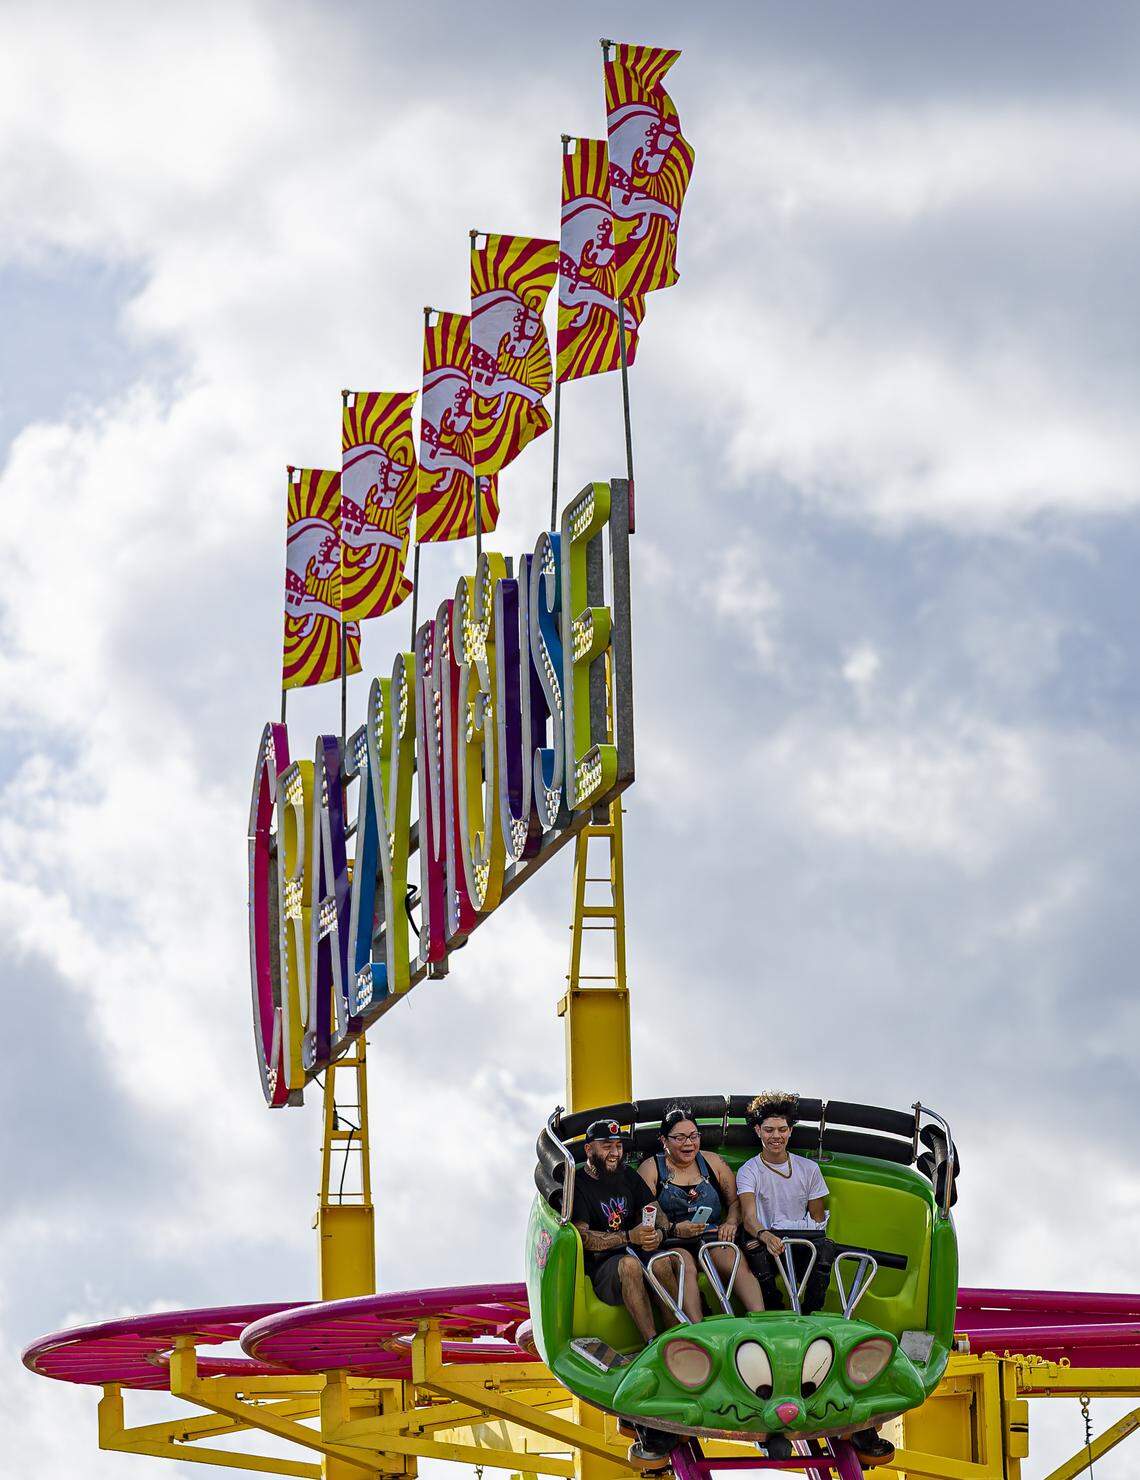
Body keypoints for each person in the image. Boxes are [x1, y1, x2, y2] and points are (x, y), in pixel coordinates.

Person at [738, 1092, 894, 1468]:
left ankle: (809, 1309)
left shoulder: (807, 1170)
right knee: (763, 1252)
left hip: (801, 1238)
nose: (776, 1136)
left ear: (790, 1131)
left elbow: (816, 1216)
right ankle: (775, 1309)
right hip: (767, 1238)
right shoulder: (750, 1170)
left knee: (823, 1251)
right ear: (758, 1131)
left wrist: (802, 1234)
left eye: (782, 1129)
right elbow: (748, 1215)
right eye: (769, 1130)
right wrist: (765, 1235)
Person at [571, 1118, 703, 1344]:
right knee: (629, 1265)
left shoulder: (628, 1175)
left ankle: (679, 1337)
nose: (615, 1153)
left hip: (639, 1251)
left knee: (661, 1261)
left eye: (619, 1146)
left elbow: (655, 1212)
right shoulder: (579, 1184)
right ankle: (651, 1341)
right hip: (604, 1266)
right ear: (588, 1149)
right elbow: (582, 1238)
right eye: (607, 1146)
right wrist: (629, 1236)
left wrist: (660, 1233)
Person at [637, 1105, 767, 1313]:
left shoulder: (713, 1162)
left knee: (732, 1258)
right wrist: (674, 1228)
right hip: (672, 1240)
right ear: (664, 1140)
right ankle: (695, 1329)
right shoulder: (651, 1168)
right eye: (680, 1138)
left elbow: (735, 1202)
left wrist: (731, 1222)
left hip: (711, 1236)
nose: (688, 1143)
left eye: (693, 1136)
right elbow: (647, 1213)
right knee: (684, 1264)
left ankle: (759, 1319)